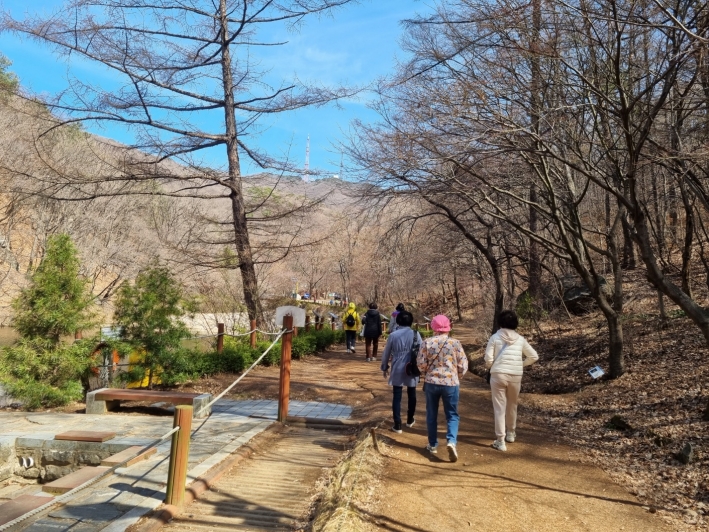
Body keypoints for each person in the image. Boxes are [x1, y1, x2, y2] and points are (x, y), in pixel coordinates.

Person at [484, 310, 539, 451]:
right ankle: (511, 433)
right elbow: (534, 356)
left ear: (500, 322)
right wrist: (520, 364)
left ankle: (500, 440)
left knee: (499, 407)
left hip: (498, 375)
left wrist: (491, 366)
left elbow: (488, 359)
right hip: (516, 374)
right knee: (512, 405)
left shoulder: (494, 337)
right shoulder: (520, 339)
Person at [417, 314, 468, 462]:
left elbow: (421, 363)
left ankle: (432, 444)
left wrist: (426, 373)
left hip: (431, 382)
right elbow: (463, 365)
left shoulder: (427, 343)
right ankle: (451, 442)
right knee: (452, 414)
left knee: (431, 414)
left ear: (433, 327)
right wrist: (457, 375)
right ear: (448, 327)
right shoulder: (455, 343)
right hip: (451, 383)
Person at [381, 311, 421, 433]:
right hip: (412, 367)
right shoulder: (416, 334)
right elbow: (422, 351)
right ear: (411, 321)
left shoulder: (393, 335)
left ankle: (397, 424)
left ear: (398, 321)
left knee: (397, 395)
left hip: (397, 366)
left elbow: (386, 352)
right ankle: (409, 419)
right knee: (412, 393)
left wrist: (384, 367)